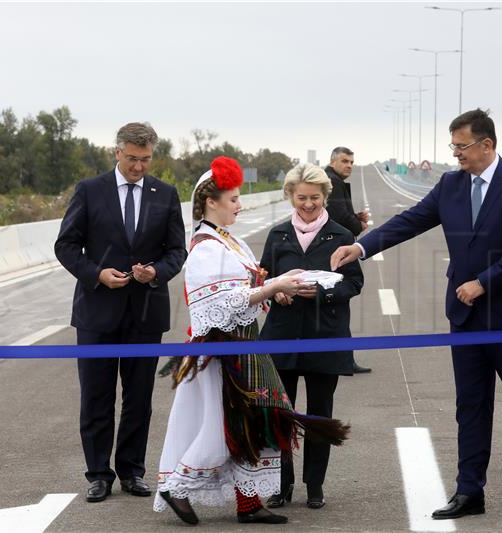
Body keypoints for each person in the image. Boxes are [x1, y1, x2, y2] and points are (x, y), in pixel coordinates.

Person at [331, 109, 502, 522]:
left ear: (487, 145)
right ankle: (470, 491)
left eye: (461, 146)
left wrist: (483, 281)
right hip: (465, 316)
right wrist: (360, 248)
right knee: (470, 405)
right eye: (452, 145)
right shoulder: (450, 185)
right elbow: (410, 221)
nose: (455, 154)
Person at [154, 157, 349, 526]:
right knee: (223, 428)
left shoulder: (227, 239)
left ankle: (248, 503)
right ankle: (177, 487)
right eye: (234, 199)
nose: (240, 205)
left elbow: (244, 288)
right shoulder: (207, 247)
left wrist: (276, 281)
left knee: (252, 424)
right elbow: (216, 305)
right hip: (222, 353)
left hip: (243, 346)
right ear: (211, 202)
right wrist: (273, 287)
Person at [54, 122, 187, 503]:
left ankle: (131, 472)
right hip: (96, 314)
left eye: (145, 160)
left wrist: (155, 272)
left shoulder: (166, 193)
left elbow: (177, 251)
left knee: (139, 399)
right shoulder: (90, 190)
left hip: (145, 313)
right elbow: (66, 245)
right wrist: (96, 274)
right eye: (132, 159)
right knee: (96, 398)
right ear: (117, 152)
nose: (138, 167)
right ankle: (98, 473)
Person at [259, 163, 364, 510]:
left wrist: (322, 292)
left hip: (325, 335)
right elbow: (262, 280)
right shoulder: (277, 236)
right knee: (280, 414)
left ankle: (315, 485)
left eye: (315, 198)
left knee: (320, 413)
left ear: (325, 198)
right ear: (290, 196)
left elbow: (354, 283)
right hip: (282, 336)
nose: (308, 204)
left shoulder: (341, 236)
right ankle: (281, 484)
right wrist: (276, 291)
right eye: (301, 198)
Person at [325, 146, 372, 374]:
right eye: (345, 161)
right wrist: (358, 225)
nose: (349, 166)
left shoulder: (333, 179)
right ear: (333, 161)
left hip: (336, 249)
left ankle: (341, 358)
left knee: (336, 308)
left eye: (352, 162)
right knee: (339, 307)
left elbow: (342, 214)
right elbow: (339, 216)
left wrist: (354, 218)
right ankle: (343, 360)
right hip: (336, 252)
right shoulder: (331, 182)